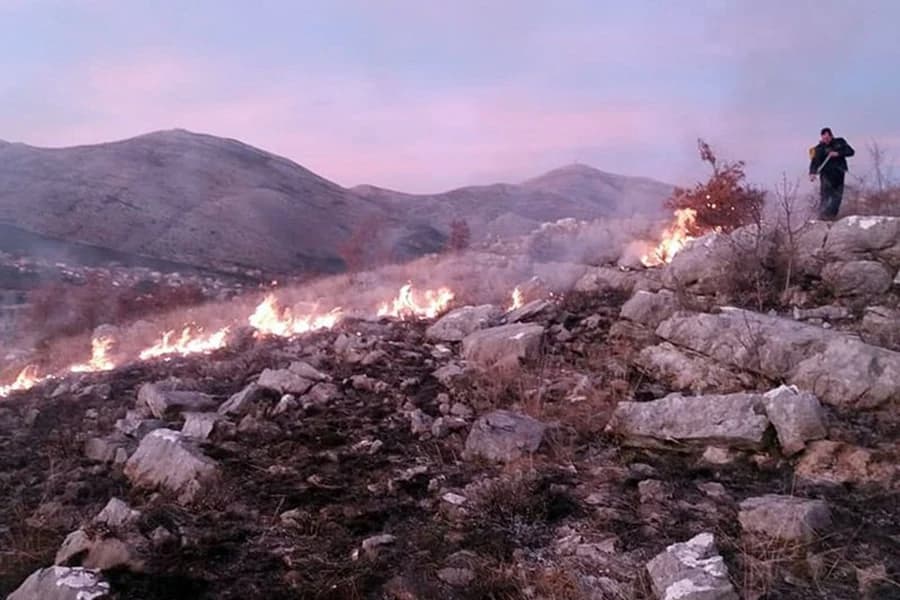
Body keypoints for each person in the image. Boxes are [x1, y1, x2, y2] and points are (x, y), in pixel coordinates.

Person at [809, 127, 855, 220]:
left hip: (839, 173)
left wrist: (838, 153)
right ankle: (822, 217)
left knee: (837, 197)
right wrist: (812, 173)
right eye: (823, 138)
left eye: (827, 138)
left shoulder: (840, 142)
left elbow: (850, 152)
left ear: (831, 136)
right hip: (826, 174)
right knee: (825, 196)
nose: (825, 140)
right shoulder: (819, 148)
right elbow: (814, 162)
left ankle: (832, 217)